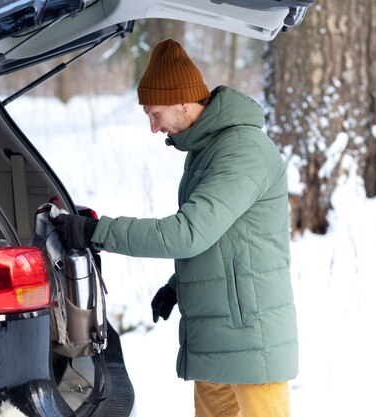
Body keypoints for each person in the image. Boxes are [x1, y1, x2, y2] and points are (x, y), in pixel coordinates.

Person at [53, 38, 298, 417]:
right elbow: (219, 240)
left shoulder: (242, 150)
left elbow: (188, 233)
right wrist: (176, 286)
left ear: (184, 103)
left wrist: (95, 233)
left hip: (250, 335)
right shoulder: (207, 150)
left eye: (155, 114)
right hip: (218, 331)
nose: (153, 127)